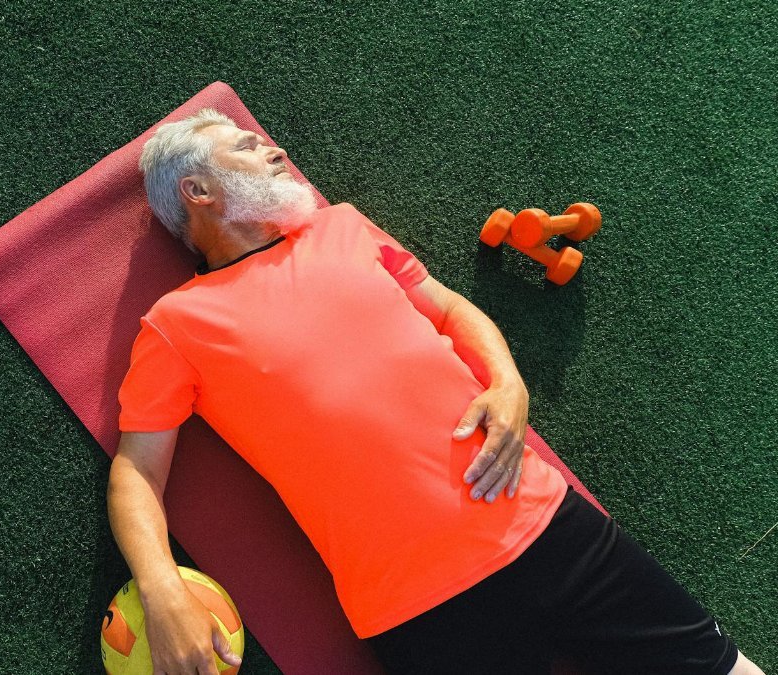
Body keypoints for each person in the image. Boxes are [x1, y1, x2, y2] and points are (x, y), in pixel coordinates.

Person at [105, 108, 765, 675]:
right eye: (245, 146)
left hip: (543, 523)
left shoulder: (342, 229)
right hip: (418, 604)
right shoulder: (177, 324)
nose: (274, 148)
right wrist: (161, 586)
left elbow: (449, 309)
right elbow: (136, 468)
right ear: (198, 190)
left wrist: (509, 383)